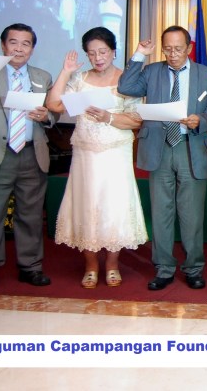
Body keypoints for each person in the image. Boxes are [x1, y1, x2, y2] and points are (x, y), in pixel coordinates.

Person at [117, 26, 207, 291]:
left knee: (192, 214)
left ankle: (193, 268)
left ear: (189, 48)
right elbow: (125, 86)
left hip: (190, 146)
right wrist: (139, 55)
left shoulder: (205, 74)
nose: (172, 54)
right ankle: (163, 268)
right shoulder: (152, 72)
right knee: (161, 212)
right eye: (167, 49)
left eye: (178, 49)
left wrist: (201, 120)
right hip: (159, 148)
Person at [45, 27, 148, 288]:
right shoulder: (80, 80)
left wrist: (108, 117)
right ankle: (90, 265)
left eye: (103, 52)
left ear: (113, 51)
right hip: (86, 155)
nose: (98, 58)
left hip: (116, 152)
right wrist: (66, 72)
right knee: (87, 205)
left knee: (114, 207)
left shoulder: (126, 80)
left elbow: (137, 120)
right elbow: (54, 105)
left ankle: (112, 265)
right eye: (91, 53)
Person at [0, 24, 56, 295]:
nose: (19, 49)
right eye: (13, 42)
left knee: (31, 215)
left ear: (32, 48)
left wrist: (46, 116)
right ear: (3, 45)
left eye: (25, 43)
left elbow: (54, 111)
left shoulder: (42, 76)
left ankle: (30, 266)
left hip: (32, 153)